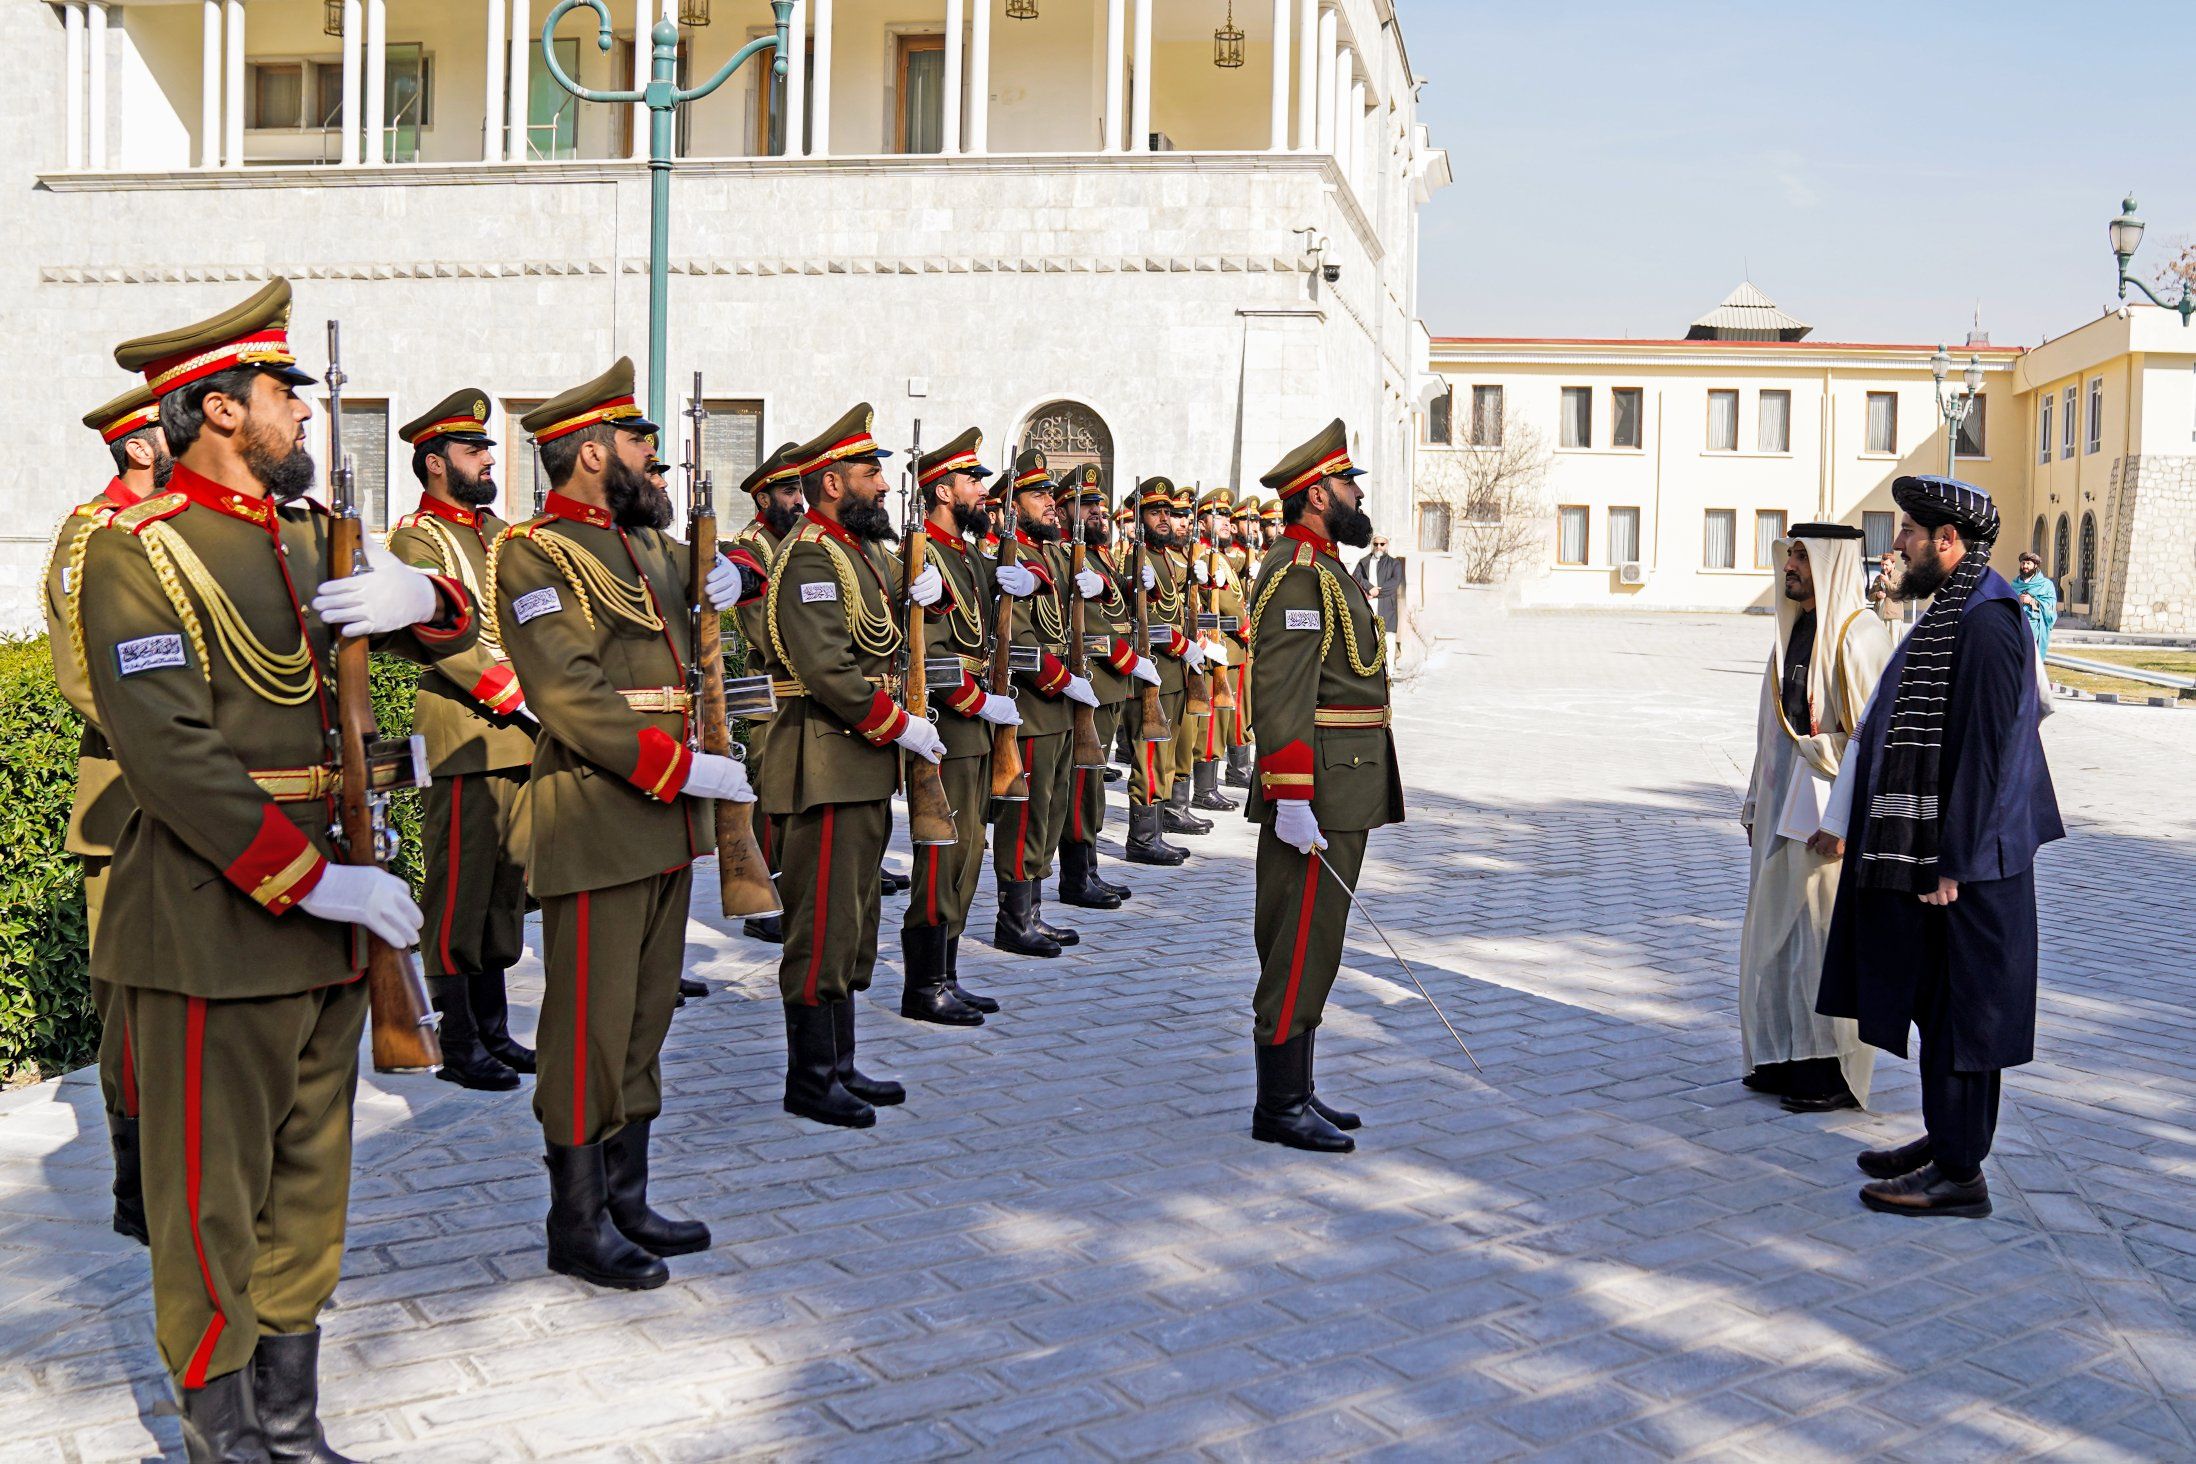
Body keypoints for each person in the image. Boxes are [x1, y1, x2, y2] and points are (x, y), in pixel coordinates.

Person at [87, 279, 478, 1458]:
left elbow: (453, 638)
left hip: (330, 914)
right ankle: (224, 1435)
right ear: (217, 411)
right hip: (218, 917)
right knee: (211, 1199)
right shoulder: (140, 557)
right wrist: (308, 880)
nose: (300, 414)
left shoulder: (315, 539)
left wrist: (428, 595)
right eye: (280, 394)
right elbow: (171, 753)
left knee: (310, 1183)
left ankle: (292, 1422)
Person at [492, 358, 761, 1289]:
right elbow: (567, 692)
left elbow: (710, 625)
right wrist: (680, 766)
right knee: (586, 1027)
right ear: (594, 450)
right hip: (599, 811)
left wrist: (736, 579)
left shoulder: (646, 547)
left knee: (644, 1016)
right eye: (645, 450)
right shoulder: (534, 552)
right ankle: (575, 1221)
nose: (658, 468)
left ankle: (627, 1193)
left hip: (665, 821)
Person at [1815, 476, 2064, 1218]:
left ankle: (1961, 1174)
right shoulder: (1955, 611)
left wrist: (1950, 860)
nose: (1898, 544)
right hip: (1949, 858)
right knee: (1939, 1004)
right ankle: (1947, 1139)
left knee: (1964, 1016)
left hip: (1968, 867)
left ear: (1946, 542)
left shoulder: (1985, 623)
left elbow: (1987, 753)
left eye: (1909, 533)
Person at [759, 405, 947, 1128]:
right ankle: (809, 1077)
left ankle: (839, 1061)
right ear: (832, 481)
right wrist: (898, 724)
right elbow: (829, 669)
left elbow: (915, 608)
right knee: (824, 923)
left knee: (855, 919)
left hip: (859, 765)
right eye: (872, 472)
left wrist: (938, 589)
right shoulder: (811, 554)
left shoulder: (861, 551)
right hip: (825, 762)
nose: (882, 484)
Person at [1243, 420, 1403, 1154]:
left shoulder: (1325, 566)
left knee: (1320, 943)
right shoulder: (1296, 573)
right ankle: (1277, 1106)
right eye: (1346, 482)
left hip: (1344, 785)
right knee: (1298, 945)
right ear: (1315, 495)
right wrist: (1292, 794)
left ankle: (1297, 1088)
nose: (1357, 492)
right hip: (1318, 790)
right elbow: (1281, 691)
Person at [42, 382, 167, 1247]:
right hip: (126, 797)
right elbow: (84, 673)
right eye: (170, 426)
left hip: (213, 792)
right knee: (130, 993)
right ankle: (136, 1188)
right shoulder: (91, 535)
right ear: (134, 447)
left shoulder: (193, 527)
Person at [386, 390, 539, 1090]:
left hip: (520, 734)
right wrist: (514, 691)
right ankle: (456, 1036)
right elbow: (434, 632)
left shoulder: (499, 533)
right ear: (435, 462)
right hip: (464, 730)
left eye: (485, 448)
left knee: (504, 886)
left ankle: (494, 1027)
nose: (487, 458)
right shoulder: (419, 537)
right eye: (473, 450)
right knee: (460, 887)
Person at [1737, 524, 1893, 1115]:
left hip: (1828, 821)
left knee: (1822, 939)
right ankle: (1783, 1057)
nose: (1792, 565)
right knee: (1776, 938)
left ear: (1831, 563)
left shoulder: (1859, 637)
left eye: (1804, 556)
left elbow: (1874, 742)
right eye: (1790, 554)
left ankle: (1830, 1071)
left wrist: (1848, 821)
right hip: (1783, 812)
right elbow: (1772, 733)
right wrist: (1756, 800)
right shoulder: (1795, 630)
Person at [902, 428, 1025, 1022]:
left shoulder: (971, 556)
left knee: (970, 851)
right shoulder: (923, 556)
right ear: (942, 489)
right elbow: (928, 656)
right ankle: (923, 984)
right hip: (947, 726)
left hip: (976, 727)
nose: (982, 489)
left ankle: (947, 971)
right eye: (971, 479)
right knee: (941, 854)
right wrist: (980, 704)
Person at [989, 449, 1102, 958]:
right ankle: (1013, 919)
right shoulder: (1001, 556)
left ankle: (1033, 908)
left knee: (1052, 810)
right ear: (1010, 507)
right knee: (1026, 814)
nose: (1052, 504)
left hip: (1057, 703)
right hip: (1032, 704)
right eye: (1039, 496)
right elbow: (1017, 640)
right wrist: (1063, 681)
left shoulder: (1048, 554)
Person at [1059, 464, 1156, 913]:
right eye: (1088, 507)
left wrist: (1132, 584)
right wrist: (1129, 660)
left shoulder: (1099, 556)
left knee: (1093, 784)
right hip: (1092, 682)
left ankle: (1090, 868)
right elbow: (1090, 630)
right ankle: (1076, 876)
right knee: (1083, 783)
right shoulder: (1067, 554)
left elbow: (1118, 606)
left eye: (1100, 506)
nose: (1099, 513)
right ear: (1065, 512)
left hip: (1111, 684)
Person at [729, 441, 804, 945]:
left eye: (801, 488)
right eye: (788, 491)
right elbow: (765, 629)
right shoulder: (753, 548)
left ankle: (790, 885)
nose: (799, 500)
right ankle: (763, 899)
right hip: (774, 687)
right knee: (773, 797)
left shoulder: (793, 543)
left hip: (798, 688)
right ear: (763, 499)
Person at [1122, 477, 1205, 865]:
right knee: (1150, 757)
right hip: (1151, 673)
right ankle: (1142, 838)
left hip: (1173, 674)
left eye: (1168, 513)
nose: (1164, 519)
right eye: (1155, 512)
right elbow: (1144, 624)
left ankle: (1157, 828)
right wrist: (1181, 646)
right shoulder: (1135, 560)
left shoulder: (1168, 560)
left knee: (1167, 754)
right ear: (1138, 518)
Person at [1188, 487, 1244, 814]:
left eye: (1226, 516)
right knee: (1209, 724)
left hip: (1229, 650)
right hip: (1214, 649)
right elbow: (1221, 603)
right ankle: (1204, 789)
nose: (1226, 522)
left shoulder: (1219, 555)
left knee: (1221, 721)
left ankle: (1211, 784)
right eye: (1219, 516)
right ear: (1202, 520)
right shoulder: (1201, 554)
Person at [1353, 533, 1406, 663]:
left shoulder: (1394, 564)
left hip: (1387, 608)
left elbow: (1394, 583)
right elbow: (1356, 577)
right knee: (1368, 642)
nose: (1378, 547)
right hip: (1367, 607)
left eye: (1382, 544)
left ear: (1387, 545)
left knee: (1387, 643)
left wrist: (1376, 593)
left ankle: (1388, 677)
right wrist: (1370, 587)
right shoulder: (1364, 562)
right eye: (1376, 544)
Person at [2010, 549, 2058, 656]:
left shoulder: (2046, 585)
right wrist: (2017, 599)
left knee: (2031, 658)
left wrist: (2031, 601)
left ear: (2035, 565)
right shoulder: (2014, 584)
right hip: (2016, 627)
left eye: (2028, 563)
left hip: (2034, 627)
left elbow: (2050, 606)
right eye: (2023, 563)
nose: (2025, 566)